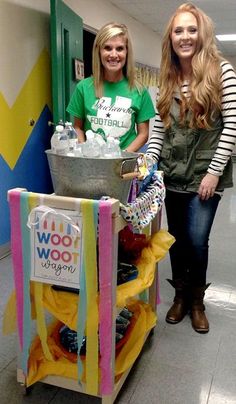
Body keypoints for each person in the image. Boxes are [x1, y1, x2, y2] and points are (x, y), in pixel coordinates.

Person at [147, 2, 236, 333]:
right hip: (172, 173)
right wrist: (151, 163)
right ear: (170, 37)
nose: (185, 36)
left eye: (191, 29)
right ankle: (180, 297)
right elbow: (159, 128)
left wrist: (214, 171)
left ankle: (197, 301)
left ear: (202, 34)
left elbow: (232, 124)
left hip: (203, 177)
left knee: (197, 240)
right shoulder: (168, 77)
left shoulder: (221, 71)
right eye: (178, 30)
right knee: (177, 239)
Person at [67, 22, 155, 152]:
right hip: (92, 164)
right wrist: (86, 152)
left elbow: (143, 134)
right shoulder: (83, 88)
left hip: (124, 167)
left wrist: (122, 158)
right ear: (99, 51)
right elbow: (78, 127)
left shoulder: (140, 91)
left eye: (119, 49)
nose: (113, 55)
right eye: (107, 48)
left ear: (127, 52)